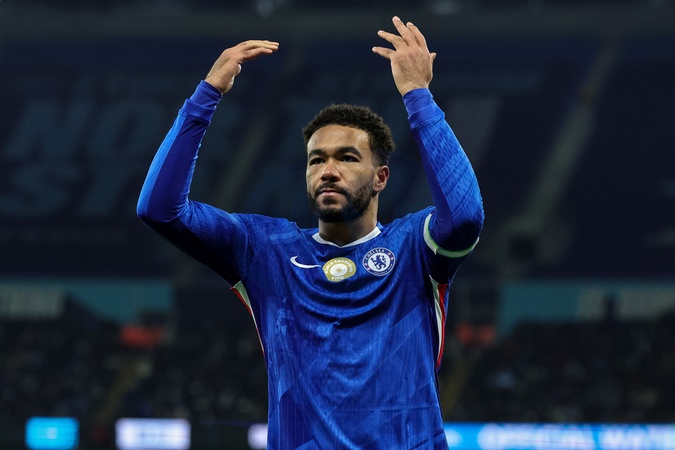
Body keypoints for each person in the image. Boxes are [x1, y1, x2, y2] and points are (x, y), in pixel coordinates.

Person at [138, 16, 484, 449]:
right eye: (316, 160)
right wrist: (204, 98)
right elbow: (160, 210)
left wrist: (418, 95)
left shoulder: (416, 246)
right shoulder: (266, 250)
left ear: (381, 177)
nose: (328, 171)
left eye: (347, 158)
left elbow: (465, 216)